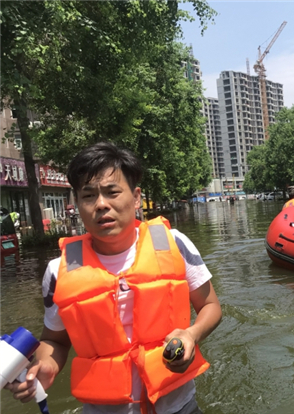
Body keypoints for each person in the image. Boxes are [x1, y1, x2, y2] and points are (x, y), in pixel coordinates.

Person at [5, 142, 222, 414]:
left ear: (136, 197)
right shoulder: (58, 270)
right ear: (77, 203)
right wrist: (46, 367)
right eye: (88, 196)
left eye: (112, 192)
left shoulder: (174, 244)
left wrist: (192, 334)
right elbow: (56, 341)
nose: (101, 205)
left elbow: (211, 307)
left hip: (179, 406)